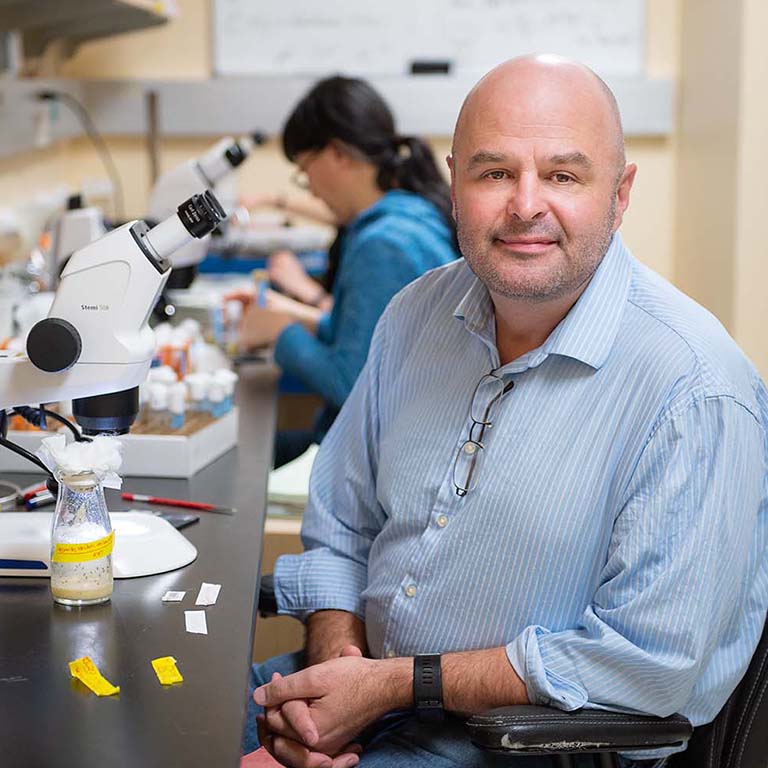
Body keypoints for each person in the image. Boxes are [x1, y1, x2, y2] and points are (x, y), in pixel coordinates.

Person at [242, 55, 768, 768]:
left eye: (562, 175)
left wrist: (392, 686)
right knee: (147, 724)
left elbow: (649, 665)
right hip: (362, 689)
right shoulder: (413, 317)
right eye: (494, 173)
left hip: (521, 745)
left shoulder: (695, 391)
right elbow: (342, 528)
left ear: (619, 194)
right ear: (455, 185)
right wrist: (336, 679)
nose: (526, 204)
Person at [238, 76, 460, 467]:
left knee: (239, 459)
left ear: (338, 154)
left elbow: (349, 382)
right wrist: (300, 322)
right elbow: (377, 341)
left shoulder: (382, 244)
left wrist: (281, 333)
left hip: (376, 455)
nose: (309, 189)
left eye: (306, 169)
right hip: (395, 438)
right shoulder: (412, 214)